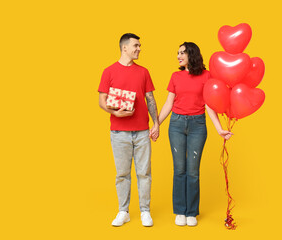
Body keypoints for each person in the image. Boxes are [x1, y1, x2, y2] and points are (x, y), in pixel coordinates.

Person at [155, 42, 233, 227]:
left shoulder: (207, 76)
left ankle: (191, 212)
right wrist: (156, 123)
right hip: (176, 125)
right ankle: (180, 211)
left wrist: (219, 128)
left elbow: (209, 105)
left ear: (192, 54)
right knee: (179, 169)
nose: (178, 56)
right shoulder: (175, 76)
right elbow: (168, 103)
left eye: (182, 52)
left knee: (193, 171)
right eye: (178, 53)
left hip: (198, 125)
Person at [98, 33, 159, 227]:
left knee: (144, 173)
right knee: (122, 174)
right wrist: (115, 113)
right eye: (136, 45)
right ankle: (123, 211)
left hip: (142, 131)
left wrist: (156, 123)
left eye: (139, 45)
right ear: (124, 48)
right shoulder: (108, 71)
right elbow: (102, 101)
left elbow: (150, 98)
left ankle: (145, 211)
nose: (139, 49)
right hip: (119, 132)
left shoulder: (144, 72)